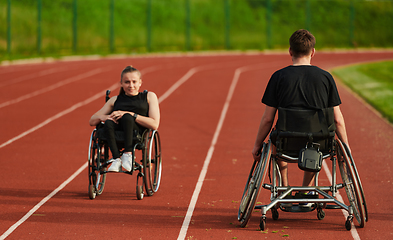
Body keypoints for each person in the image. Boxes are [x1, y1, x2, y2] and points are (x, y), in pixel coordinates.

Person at [251, 29, 349, 207]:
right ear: (313, 52)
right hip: (319, 143)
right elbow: (338, 120)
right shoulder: (326, 77)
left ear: (290, 51)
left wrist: (257, 144)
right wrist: (346, 149)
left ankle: (284, 187)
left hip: (286, 144)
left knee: (277, 137)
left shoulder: (278, 77)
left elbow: (267, 119)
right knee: (315, 140)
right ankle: (306, 189)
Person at [89, 66, 160, 172]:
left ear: (140, 82)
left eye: (134, 82)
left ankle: (128, 154)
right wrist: (104, 117)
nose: (131, 85)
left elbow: (154, 124)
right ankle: (116, 159)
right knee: (108, 122)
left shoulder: (149, 97)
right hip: (116, 132)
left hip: (137, 133)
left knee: (127, 117)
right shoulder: (115, 100)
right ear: (121, 83)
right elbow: (92, 120)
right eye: (127, 82)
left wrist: (131, 114)